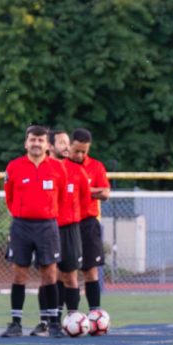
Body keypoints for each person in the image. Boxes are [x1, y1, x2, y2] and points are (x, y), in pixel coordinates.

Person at [1, 125, 66, 338]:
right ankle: (16, 323)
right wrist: (22, 214)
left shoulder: (58, 168)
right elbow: (9, 197)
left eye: (40, 140)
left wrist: (46, 213)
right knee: (19, 274)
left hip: (47, 226)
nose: (36, 144)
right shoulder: (14, 167)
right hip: (21, 226)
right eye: (32, 140)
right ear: (26, 143)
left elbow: (62, 199)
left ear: (48, 145)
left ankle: (54, 323)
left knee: (49, 274)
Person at [46, 129, 89, 331]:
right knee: (50, 275)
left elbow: (83, 201)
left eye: (67, 142)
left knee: (70, 276)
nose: (65, 146)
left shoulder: (77, 171)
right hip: (48, 227)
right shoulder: (43, 169)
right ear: (51, 146)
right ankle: (49, 320)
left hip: (70, 229)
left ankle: (73, 318)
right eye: (61, 142)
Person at [67, 128, 109, 312]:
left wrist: (82, 190)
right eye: (77, 150)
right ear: (69, 145)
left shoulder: (96, 166)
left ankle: (95, 313)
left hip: (89, 223)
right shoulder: (60, 166)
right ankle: (72, 314)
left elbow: (105, 193)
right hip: (67, 225)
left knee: (91, 271)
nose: (80, 154)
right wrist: (91, 190)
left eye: (84, 151)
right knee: (68, 273)